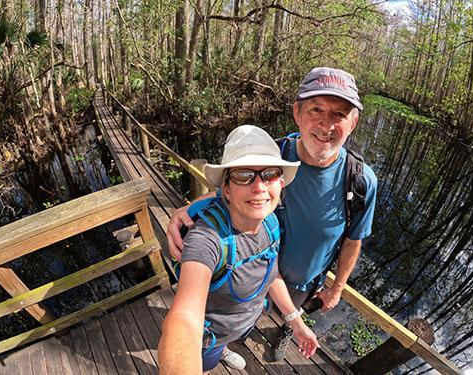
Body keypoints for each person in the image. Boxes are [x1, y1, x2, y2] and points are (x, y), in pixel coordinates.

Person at [166, 67, 377, 362]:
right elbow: (231, 193)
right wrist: (188, 209)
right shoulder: (272, 156)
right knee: (229, 309)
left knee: (260, 315)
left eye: (339, 114)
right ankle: (220, 343)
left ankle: (270, 331)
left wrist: (337, 288)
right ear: (297, 113)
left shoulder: (361, 181)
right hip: (242, 266)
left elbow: (354, 239)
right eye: (316, 109)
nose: (326, 124)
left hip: (298, 282)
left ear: (352, 123)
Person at [158, 125, 319, 374]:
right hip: (208, 336)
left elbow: (272, 273)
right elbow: (185, 319)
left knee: (225, 341)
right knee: (205, 364)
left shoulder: (271, 222)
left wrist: (295, 322)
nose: (259, 187)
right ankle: (214, 354)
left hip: (242, 323)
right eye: (244, 175)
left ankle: (223, 347)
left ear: (281, 183)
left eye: (269, 174)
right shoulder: (207, 240)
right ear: (227, 189)